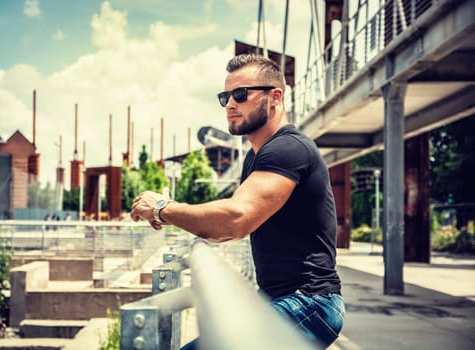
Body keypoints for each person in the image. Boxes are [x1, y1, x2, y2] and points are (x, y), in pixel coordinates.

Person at [131, 53, 345, 349]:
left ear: (275, 97)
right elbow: (225, 229)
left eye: (241, 94)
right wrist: (175, 212)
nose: (230, 104)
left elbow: (236, 219)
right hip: (281, 299)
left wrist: (162, 209)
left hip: (309, 303)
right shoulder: (255, 157)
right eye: (225, 96)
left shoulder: (289, 148)